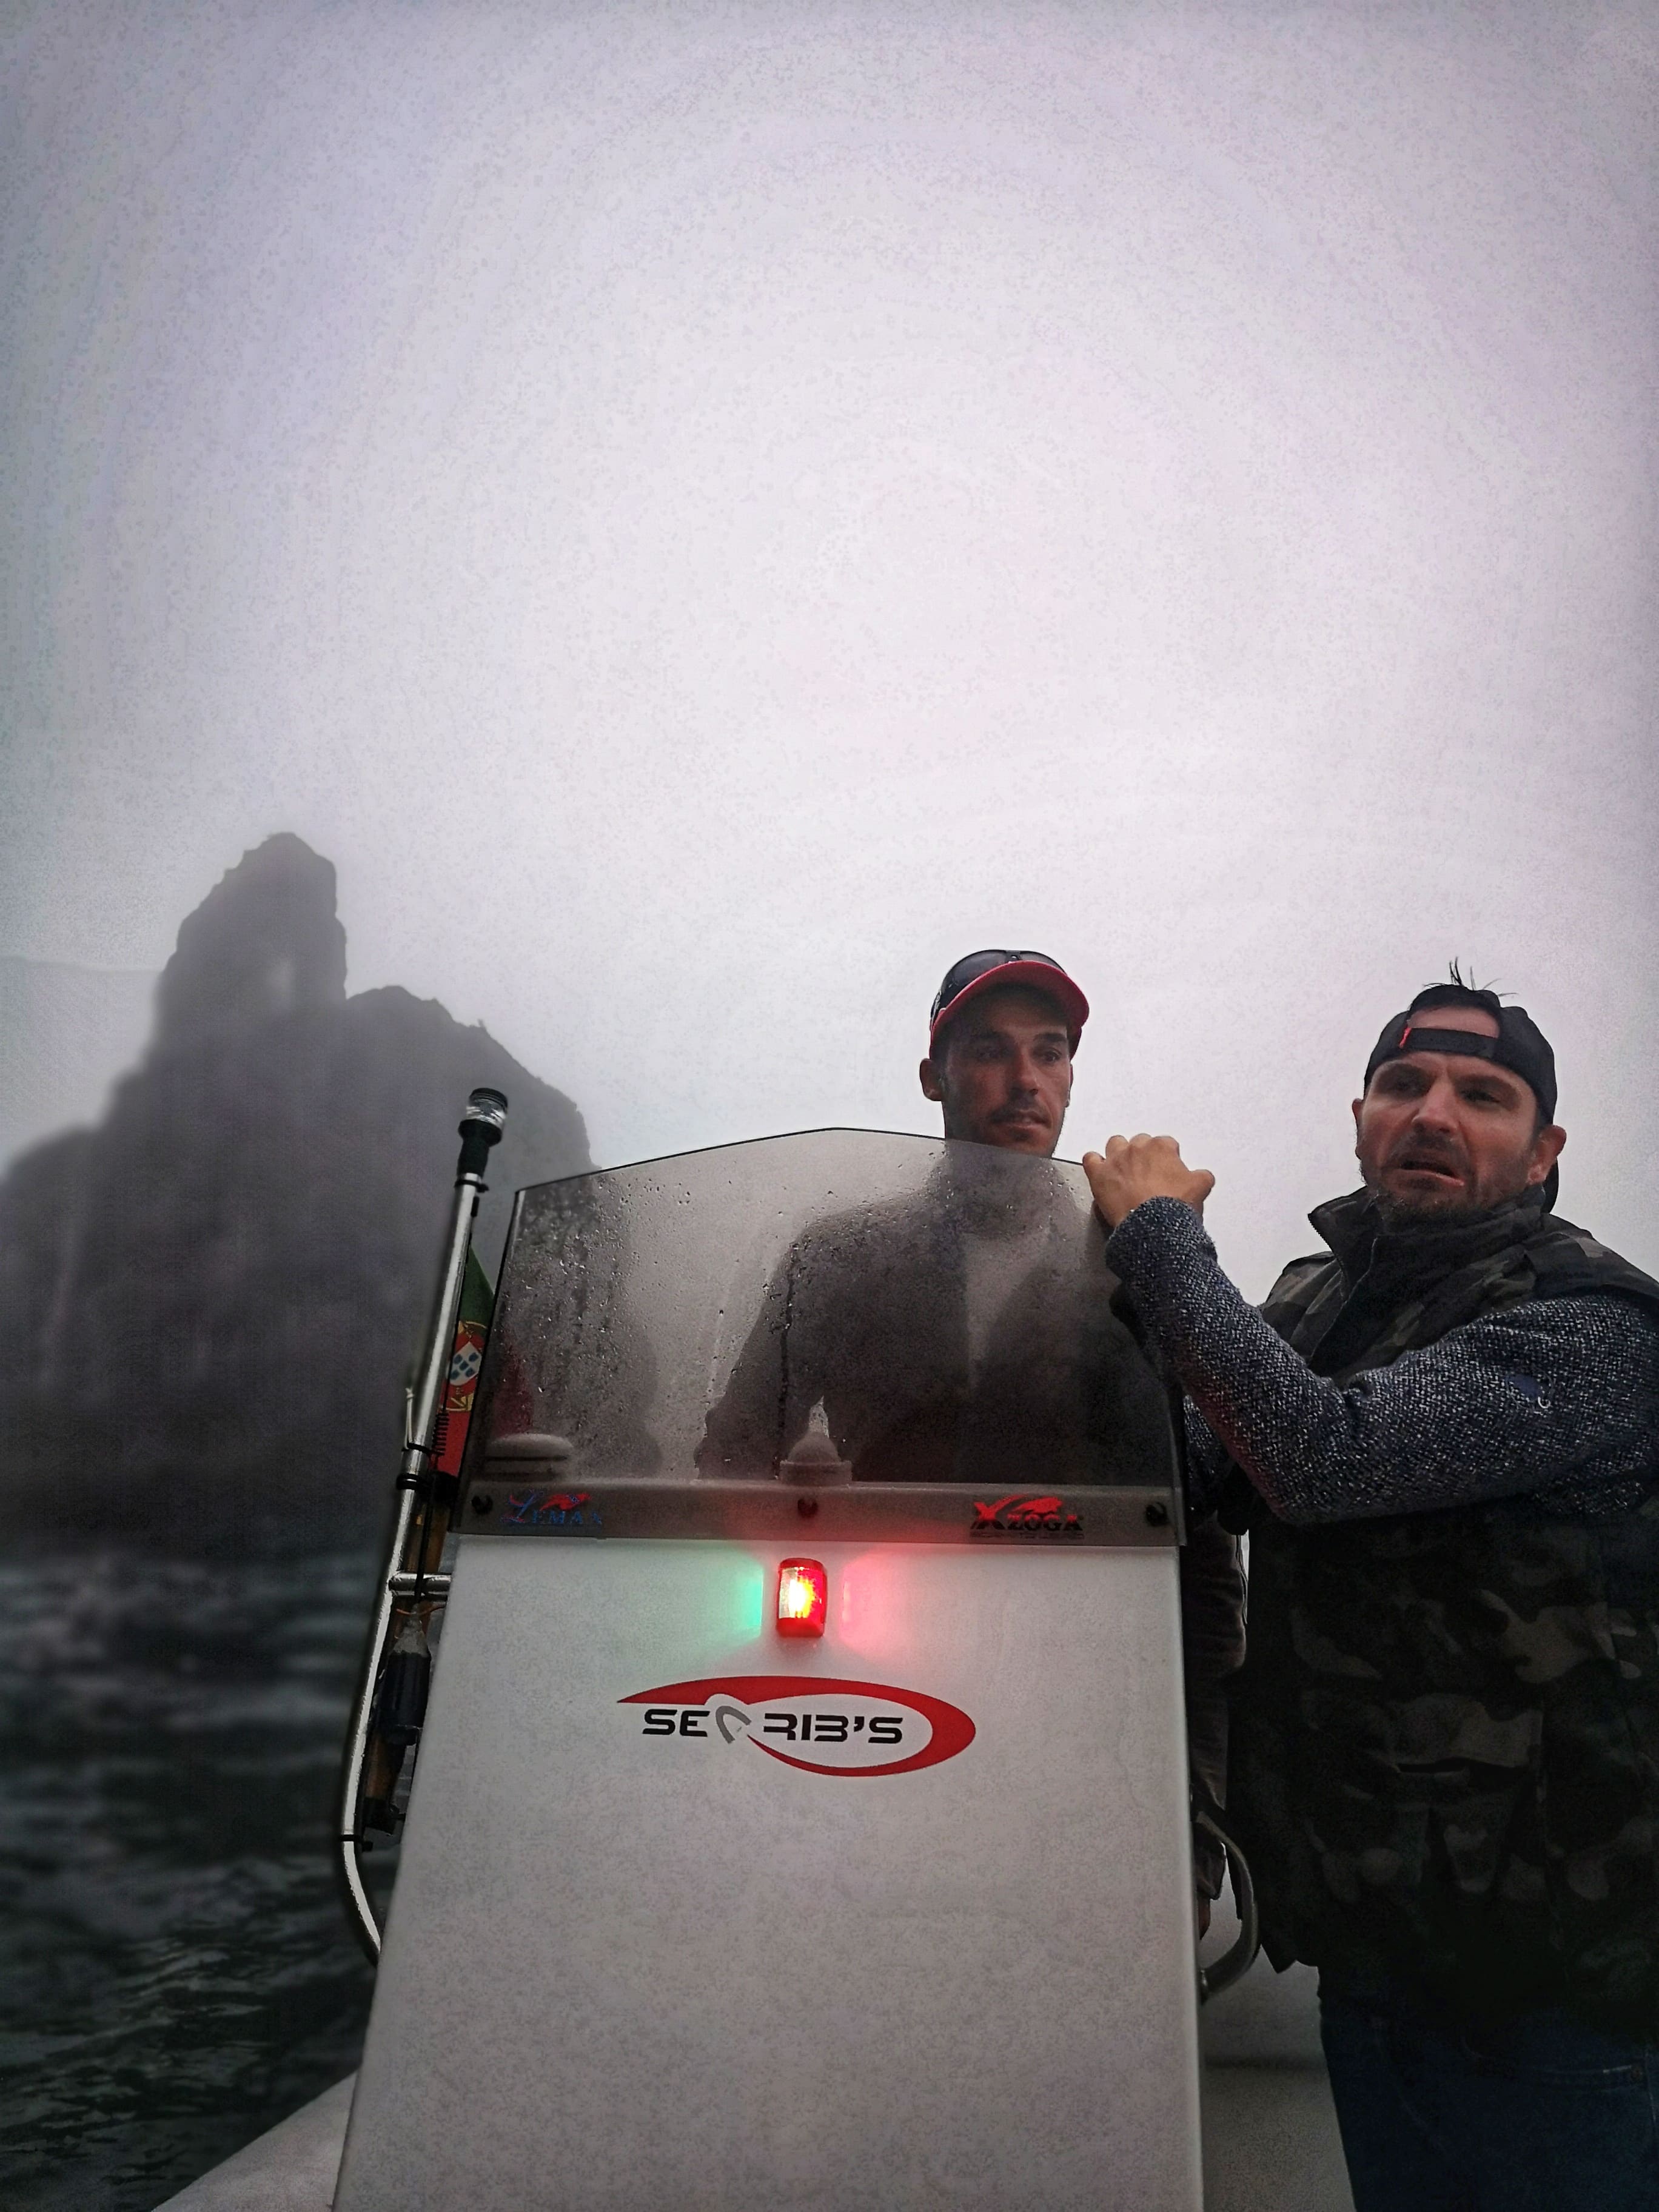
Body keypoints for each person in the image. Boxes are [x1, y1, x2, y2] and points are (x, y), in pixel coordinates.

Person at [1082, 976, 1659, 2211]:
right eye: (1404, 1085)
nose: (1434, 1113)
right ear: (1360, 1117)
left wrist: (1163, 1244)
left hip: (1557, 1988)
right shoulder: (1321, 1297)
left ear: (1545, 1148)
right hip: (1378, 1946)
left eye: (1484, 1096)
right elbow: (1192, 1473)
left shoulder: (1594, 1327)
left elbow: (1319, 1459)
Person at [699, 948, 1247, 1909]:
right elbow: (734, 1458)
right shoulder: (839, 1258)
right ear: (933, 1077)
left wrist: (1196, 1796)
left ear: (1073, 1073)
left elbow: (1199, 1550)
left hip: (1084, 1688)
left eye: (1052, 1050)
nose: (1025, 1079)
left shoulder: (1139, 1264)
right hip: (884, 1667)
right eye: (989, 1050)